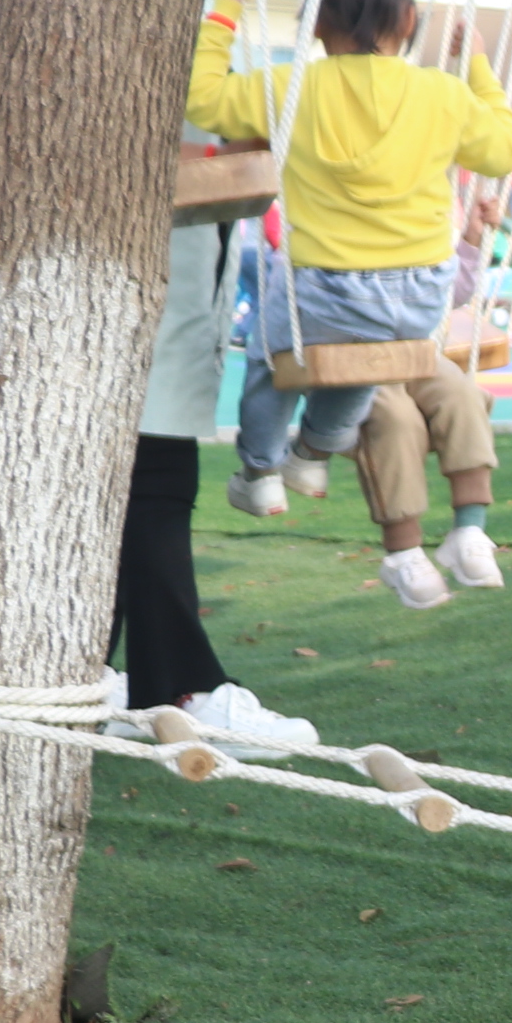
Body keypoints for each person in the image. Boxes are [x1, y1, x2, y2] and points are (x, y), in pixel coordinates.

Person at [189, 0, 512, 610]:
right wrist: (476, 63)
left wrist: (226, 8)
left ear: (313, 25)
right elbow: (503, 147)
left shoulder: (292, 88)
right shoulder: (442, 93)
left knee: (273, 352)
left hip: (327, 295)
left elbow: (204, 101)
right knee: (360, 356)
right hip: (420, 301)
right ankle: (315, 449)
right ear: (410, 18)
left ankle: (260, 470)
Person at [105, 201, 316, 753]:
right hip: (154, 237)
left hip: (178, 235)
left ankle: (106, 676)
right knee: (154, 467)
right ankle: (179, 688)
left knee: (141, 470)